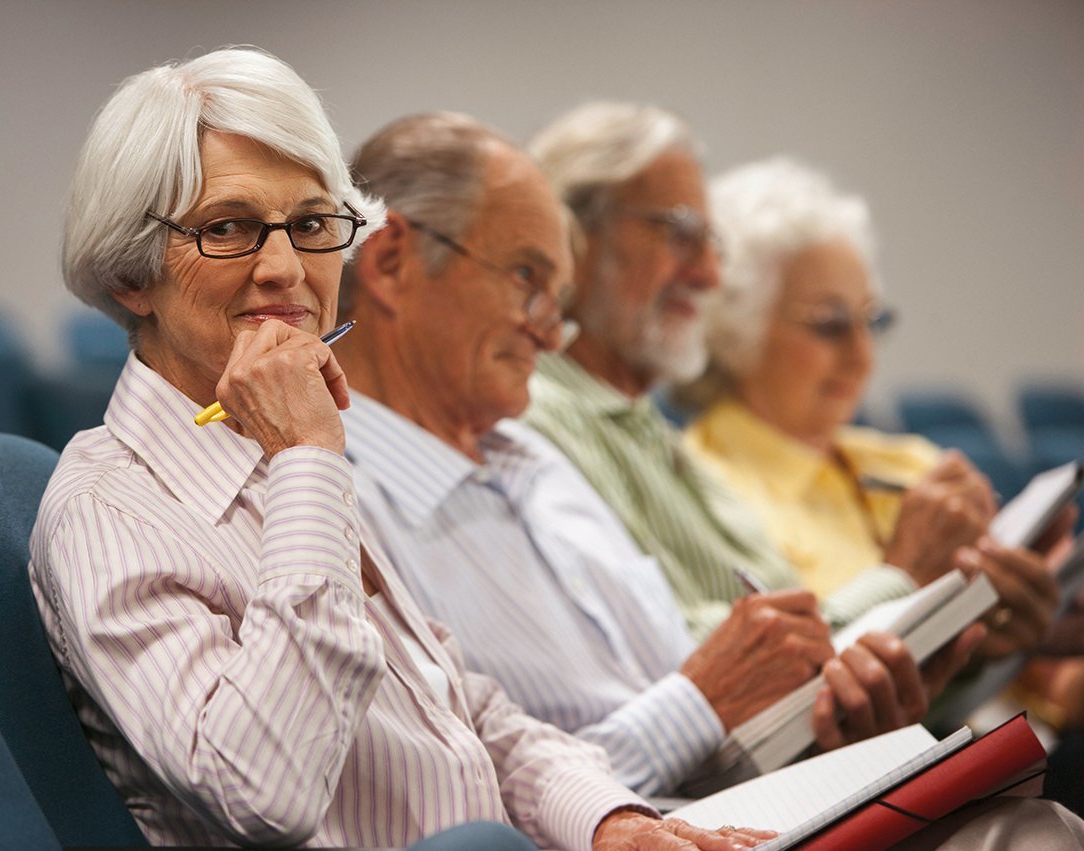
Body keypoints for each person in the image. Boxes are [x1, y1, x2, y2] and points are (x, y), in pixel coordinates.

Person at [28, 46, 773, 851]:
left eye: (312, 224)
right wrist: (308, 458)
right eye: (229, 228)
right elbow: (261, 789)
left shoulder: (272, 457)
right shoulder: (108, 507)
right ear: (130, 276)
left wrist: (612, 823)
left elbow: (467, 710)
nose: (285, 269)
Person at [335, 110, 1084, 848]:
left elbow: (724, 695)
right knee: (1034, 826)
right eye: (528, 277)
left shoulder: (532, 461)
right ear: (393, 261)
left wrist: (846, 709)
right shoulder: (343, 506)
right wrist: (713, 701)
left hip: (739, 797)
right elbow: (480, 788)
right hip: (638, 827)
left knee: (1032, 811)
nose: (548, 325)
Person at [522, 101, 1063, 654]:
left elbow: (819, 683)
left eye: (872, 321)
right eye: (679, 232)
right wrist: (904, 579)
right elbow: (692, 666)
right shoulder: (534, 419)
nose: (710, 274)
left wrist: (973, 648)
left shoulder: (648, 434)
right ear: (573, 237)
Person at [686, 154, 1084, 809]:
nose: (863, 356)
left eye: (872, 321)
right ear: (737, 329)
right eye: (830, 323)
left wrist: (1041, 627)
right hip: (874, 786)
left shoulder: (909, 459)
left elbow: (1031, 661)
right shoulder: (710, 486)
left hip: (1005, 738)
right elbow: (806, 700)